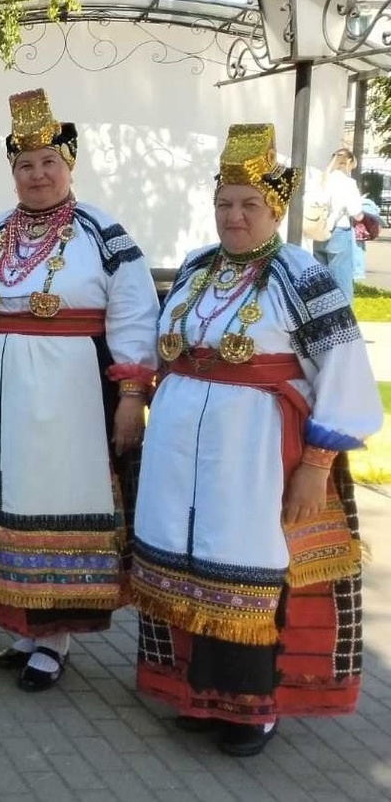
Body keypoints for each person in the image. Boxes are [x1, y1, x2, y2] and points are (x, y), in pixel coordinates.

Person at [132, 123, 381, 757]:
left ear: (275, 206)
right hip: (183, 446)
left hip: (255, 452)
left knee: (246, 568)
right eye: (224, 202)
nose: (234, 215)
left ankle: (251, 710)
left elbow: (345, 368)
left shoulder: (300, 276)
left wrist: (317, 464)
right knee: (184, 558)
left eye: (249, 203)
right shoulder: (194, 267)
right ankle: (199, 693)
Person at [0, 89, 159, 691]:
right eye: (25, 165)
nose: (37, 175)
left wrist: (133, 396)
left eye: (48, 164)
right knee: (7, 504)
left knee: (53, 505)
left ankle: (54, 640)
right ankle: (24, 630)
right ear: (12, 172)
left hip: (67, 399)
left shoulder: (102, 233)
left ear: (69, 167)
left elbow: (135, 313)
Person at [311, 148, 363, 300]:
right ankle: (345, 319)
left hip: (319, 231)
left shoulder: (322, 179)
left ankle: (322, 317)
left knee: (322, 280)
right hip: (339, 231)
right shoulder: (348, 183)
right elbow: (356, 213)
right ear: (348, 163)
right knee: (342, 279)